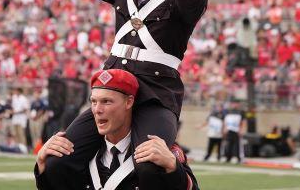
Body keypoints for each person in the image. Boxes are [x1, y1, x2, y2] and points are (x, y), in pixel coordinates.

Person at [12, 0, 208, 190]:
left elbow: (195, 0)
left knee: (152, 165)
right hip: (112, 88)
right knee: (56, 160)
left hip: (156, 92)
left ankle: (179, 162)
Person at [35, 69, 199, 190]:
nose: (97, 110)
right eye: (93, 102)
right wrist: (43, 166)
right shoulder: (80, 154)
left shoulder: (158, 151)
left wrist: (173, 167)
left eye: (106, 102)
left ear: (129, 102)